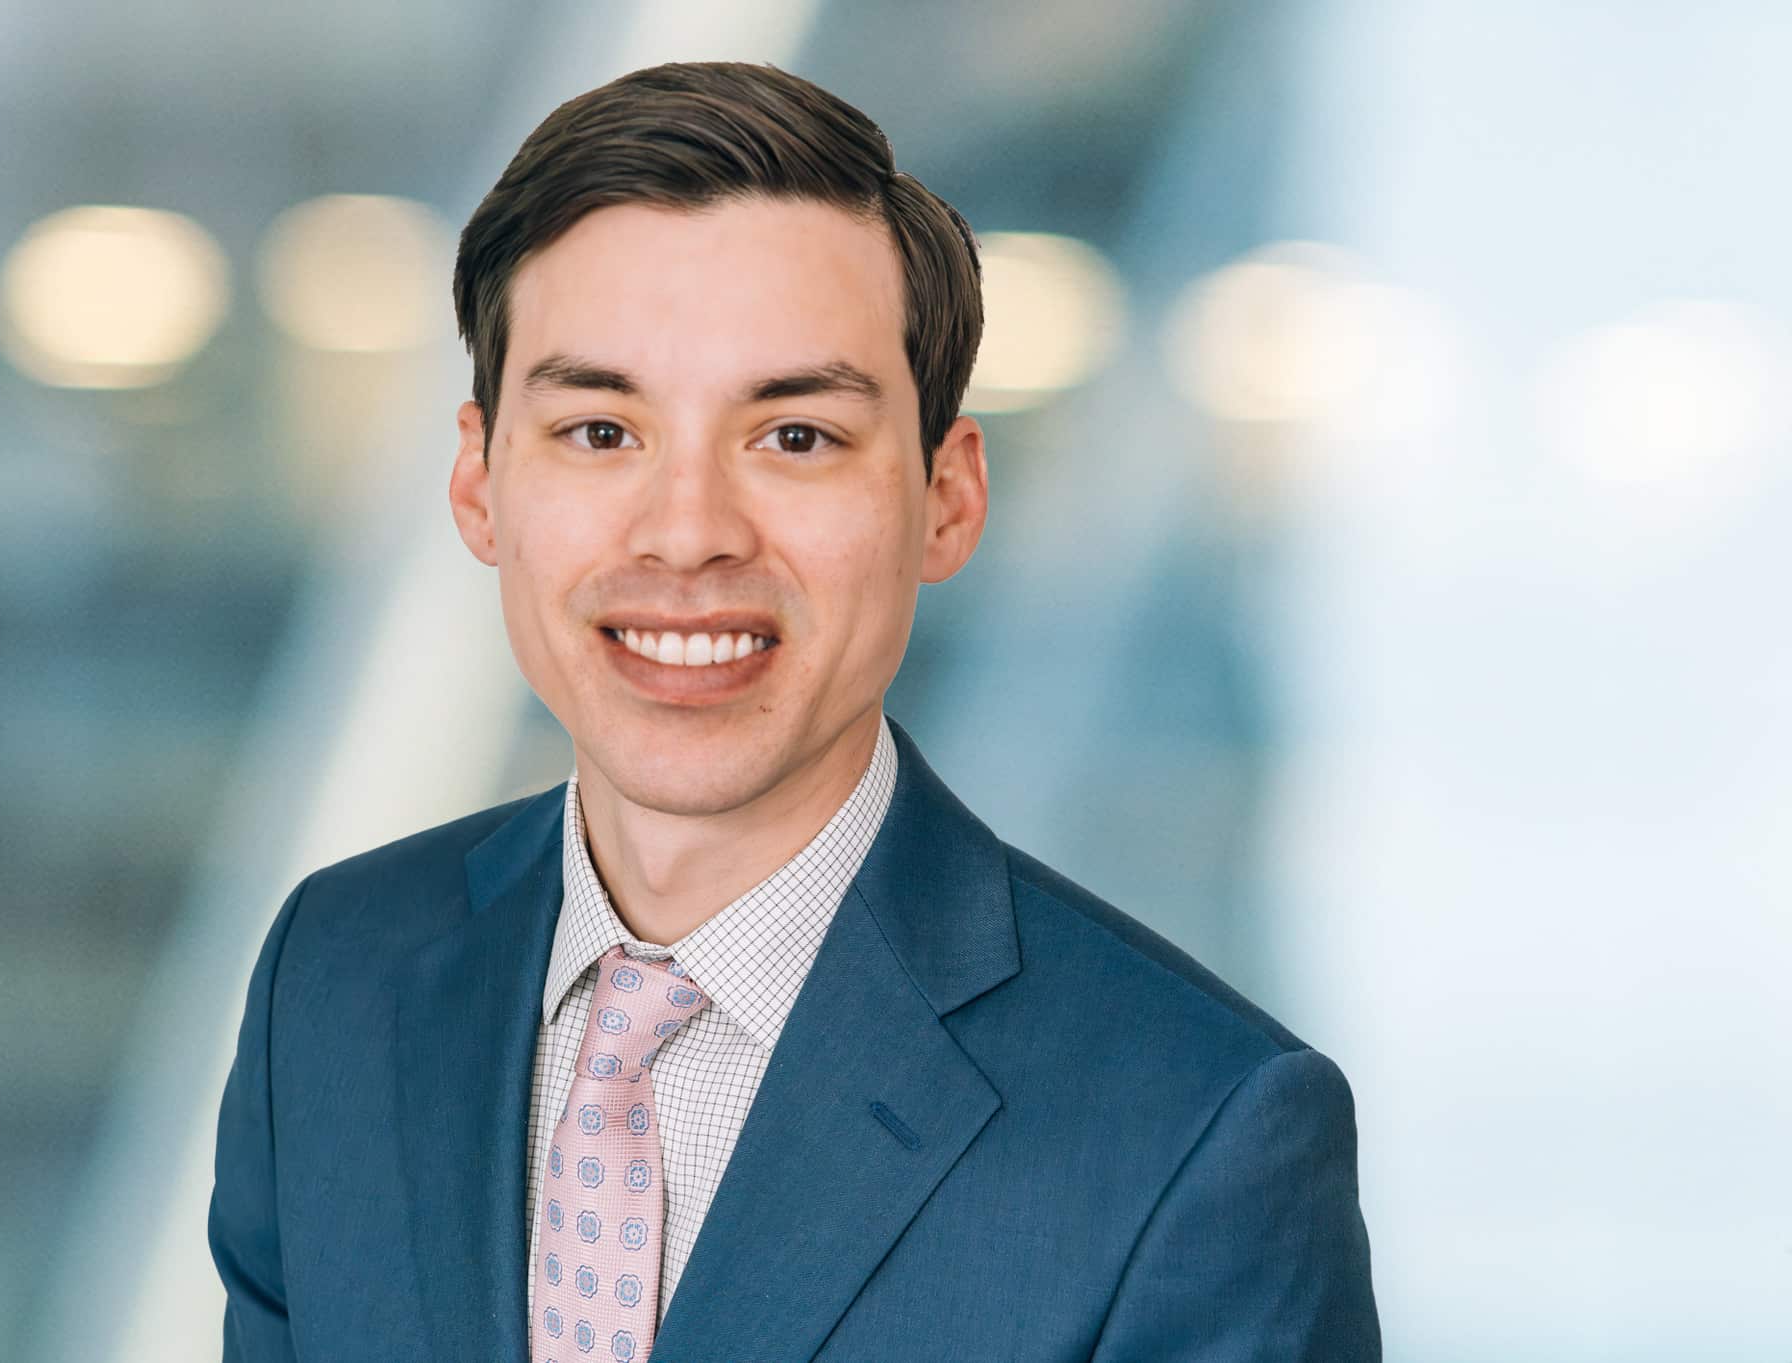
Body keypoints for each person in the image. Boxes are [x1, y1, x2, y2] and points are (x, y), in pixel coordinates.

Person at [208, 60, 1379, 1363]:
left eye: (796, 438)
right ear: (480, 484)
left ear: (947, 497)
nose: (689, 533)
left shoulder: (1197, 1140)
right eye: (600, 432)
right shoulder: (335, 977)